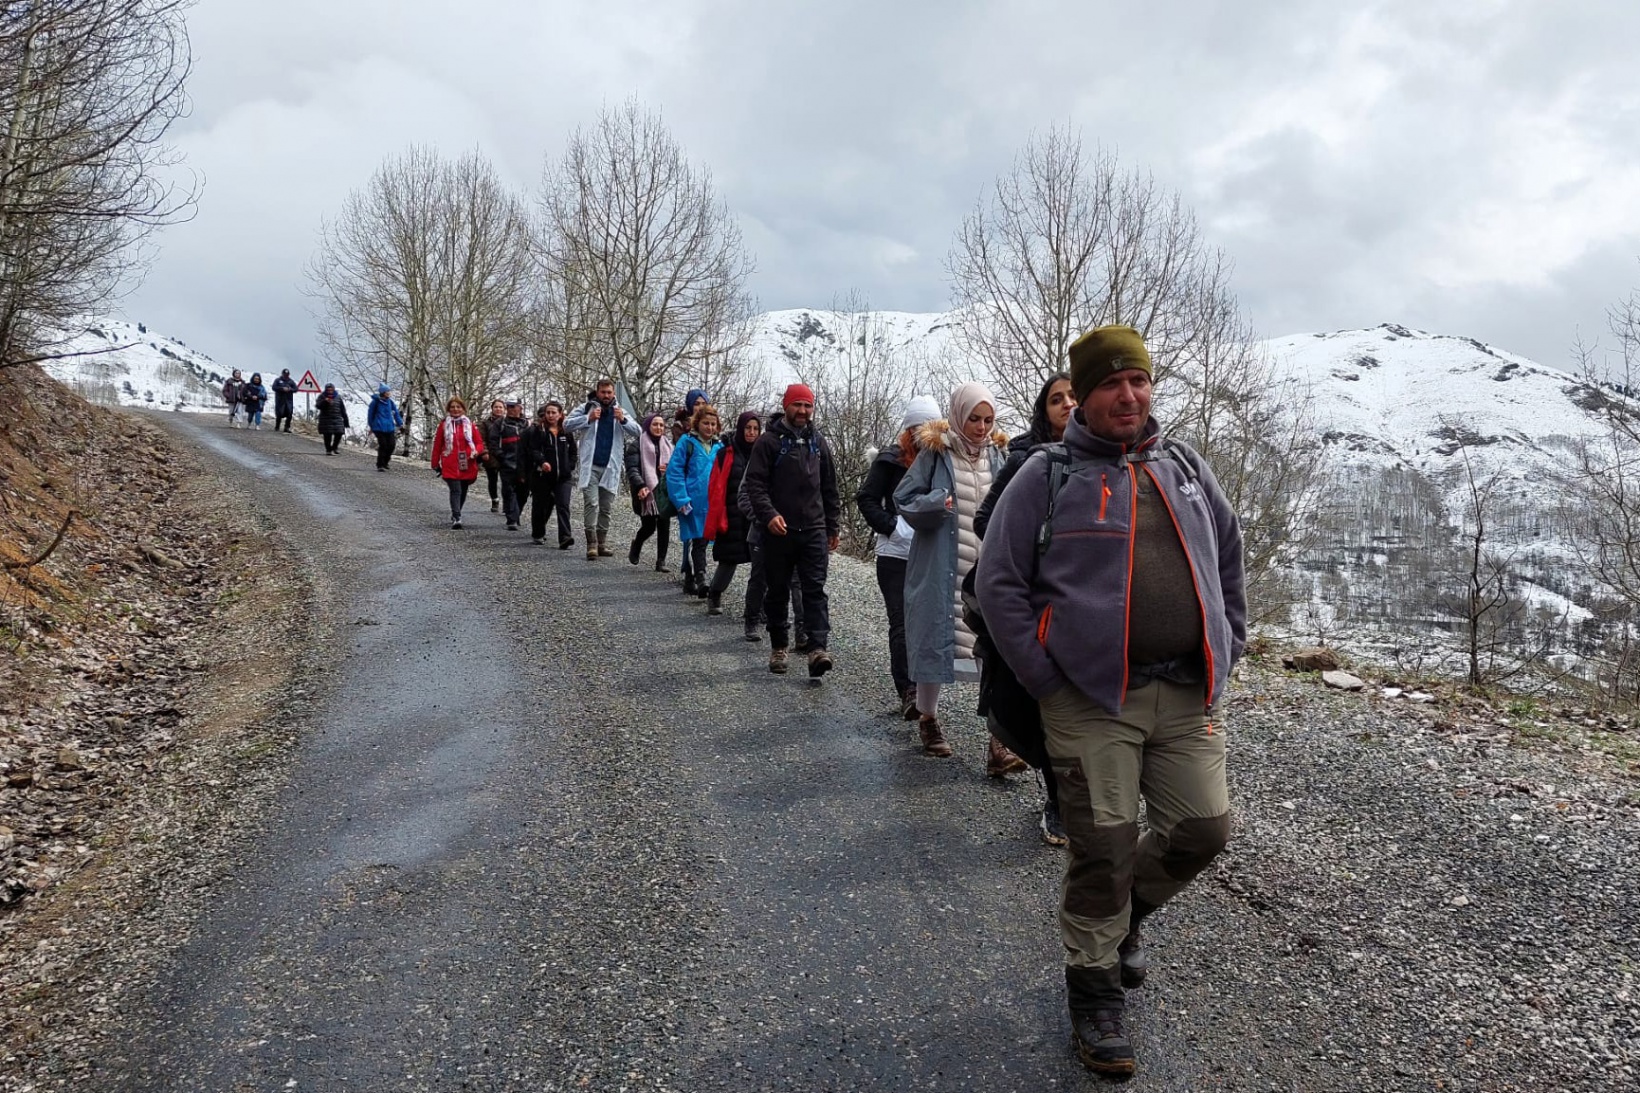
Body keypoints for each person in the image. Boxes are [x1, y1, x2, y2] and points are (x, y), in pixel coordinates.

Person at [976, 325, 1244, 1078]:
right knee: (1104, 846)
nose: (1128, 394)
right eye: (1110, 384)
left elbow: (1228, 553)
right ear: (1083, 398)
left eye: (1139, 381)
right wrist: (1045, 675)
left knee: (1206, 829)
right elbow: (997, 583)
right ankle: (1093, 995)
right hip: (1090, 699)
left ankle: (1123, 921)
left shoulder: (1184, 466)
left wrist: (1232, 640)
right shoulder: (1047, 475)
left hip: (1185, 691)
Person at [893, 383, 1026, 777]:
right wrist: (935, 503)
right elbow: (904, 498)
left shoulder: (1000, 456)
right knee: (936, 639)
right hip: (940, 565)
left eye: (988, 419)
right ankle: (928, 719)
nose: (982, 427)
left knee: (994, 652)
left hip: (986, 568)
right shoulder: (936, 453)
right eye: (974, 418)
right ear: (958, 416)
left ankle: (999, 743)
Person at [974, 371, 1076, 845]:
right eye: (1057, 399)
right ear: (1044, 408)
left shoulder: (1108, 461)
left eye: (1075, 396)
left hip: (1086, 609)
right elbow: (983, 519)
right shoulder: (1024, 459)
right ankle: (1058, 800)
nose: (1068, 405)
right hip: (1037, 606)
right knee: (1046, 706)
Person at [742, 383, 840, 679]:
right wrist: (769, 515)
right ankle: (779, 646)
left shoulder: (818, 442)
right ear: (786, 406)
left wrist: (832, 526)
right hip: (777, 532)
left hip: (813, 529)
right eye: (797, 405)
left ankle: (817, 648)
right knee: (778, 590)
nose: (802, 411)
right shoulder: (768, 443)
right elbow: (755, 486)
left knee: (815, 592)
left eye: (808, 406)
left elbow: (829, 487)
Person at [856, 395, 941, 720]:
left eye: (930, 427)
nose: (923, 434)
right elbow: (867, 499)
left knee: (926, 624)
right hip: (894, 555)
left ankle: (925, 691)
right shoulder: (890, 459)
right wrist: (893, 527)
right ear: (908, 429)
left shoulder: (941, 460)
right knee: (902, 623)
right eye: (918, 427)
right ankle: (908, 691)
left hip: (929, 554)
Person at [565, 379, 640, 560]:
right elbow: (566, 425)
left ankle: (601, 543)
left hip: (610, 467)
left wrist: (622, 420)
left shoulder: (619, 411)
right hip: (591, 465)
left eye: (609, 392)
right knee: (591, 503)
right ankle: (591, 544)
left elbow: (638, 431)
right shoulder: (586, 408)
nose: (606, 396)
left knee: (606, 507)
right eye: (603, 392)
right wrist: (587, 419)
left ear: (613, 394)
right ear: (597, 392)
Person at [704, 412, 762, 632]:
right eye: (748, 428)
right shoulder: (726, 453)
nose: (751, 433)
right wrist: (718, 515)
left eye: (756, 429)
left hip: (755, 516)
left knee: (761, 565)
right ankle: (715, 593)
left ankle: (758, 609)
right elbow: (716, 486)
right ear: (740, 428)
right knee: (729, 559)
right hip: (731, 514)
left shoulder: (762, 453)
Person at [667, 403, 722, 596]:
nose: (710, 428)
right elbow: (674, 472)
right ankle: (701, 577)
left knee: (704, 540)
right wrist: (681, 499)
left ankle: (695, 577)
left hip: (712, 504)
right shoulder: (686, 443)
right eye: (706, 423)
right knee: (696, 540)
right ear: (697, 424)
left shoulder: (719, 446)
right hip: (691, 502)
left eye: (713, 424)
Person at [523, 401, 578, 548]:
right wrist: (542, 462)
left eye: (554, 412)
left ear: (560, 414)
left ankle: (565, 537)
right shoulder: (539, 431)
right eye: (548, 412)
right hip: (543, 476)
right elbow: (533, 450)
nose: (551, 415)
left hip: (563, 477)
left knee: (563, 506)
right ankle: (538, 533)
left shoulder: (566, 431)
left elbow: (573, 451)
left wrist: (569, 466)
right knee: (540, 506)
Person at [625, 412, 673, 571]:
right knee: (649, 527)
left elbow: (676, 467)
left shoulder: (668, 445)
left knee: (664, 525)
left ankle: (661, 561)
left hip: (664, 492)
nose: (658, 427)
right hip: (645, 493)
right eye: (655, 424)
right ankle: (637, 544)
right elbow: (632, 469)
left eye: (661, 425)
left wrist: (668, 469)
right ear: (648, 426)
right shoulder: (637, 444)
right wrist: (641, 486)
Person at [430, 397, 485, 529]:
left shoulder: (470, 425)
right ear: (449, 409)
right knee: (456, 490)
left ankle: (457, 512)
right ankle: (457, 516)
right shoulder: (444, 425)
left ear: (463, 409)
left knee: (463, 490)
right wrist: (435, 463)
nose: (455, 409)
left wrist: (476, 452)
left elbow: (479, 443)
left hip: (467, 462)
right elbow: (438, 445)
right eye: (453, 407)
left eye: (458, 407)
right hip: (450, 462)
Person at [485, 399, 530, 531]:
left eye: (513, 406)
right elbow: (493, 442)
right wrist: (502, 457)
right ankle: (512, 519)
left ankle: (516, 514)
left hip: (524, 464)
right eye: (508, 406)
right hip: (506, 463)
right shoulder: (500, 423)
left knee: (523, 493)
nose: (510, 409)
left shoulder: (527, 423)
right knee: (509, 491)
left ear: (520, 407)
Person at [367, 383, 404, 471]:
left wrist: (400, 424)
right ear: (383, 392)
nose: (389, 392)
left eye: (389, 391)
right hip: (378, 427)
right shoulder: (375, 402)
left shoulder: (390, 402)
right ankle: (380, 464)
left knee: (391, 445)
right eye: (387, 391)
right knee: (383, 445)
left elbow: (396, 414)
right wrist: (371, 426)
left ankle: (386, 462)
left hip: (389, 427)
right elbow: (370, 415)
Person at [482, 399, 506, 512]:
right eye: (496, 407)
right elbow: (482, 439)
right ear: (492, 409)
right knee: (493, 480)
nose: (498, 409)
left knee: (507, 481)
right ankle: (495, 499)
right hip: (491, 456)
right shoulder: (485, 423)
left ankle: (507, 503)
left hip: (506, 456)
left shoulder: (508, 423)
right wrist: (485, 452)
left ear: (504, 409)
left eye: (501, 407)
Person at [315, 383, 349, 454]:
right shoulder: (322, 396)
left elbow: (342, 409)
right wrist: (325, 402)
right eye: (328, 390)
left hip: (337, 418)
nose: (330, 391)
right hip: (326, 419)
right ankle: (328, 450)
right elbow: (318, 406)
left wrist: (346, 420)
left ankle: (334, 447)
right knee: (327, 435)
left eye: (331, 389)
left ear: (333, 389)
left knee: (339, 433)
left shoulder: (338, 397)